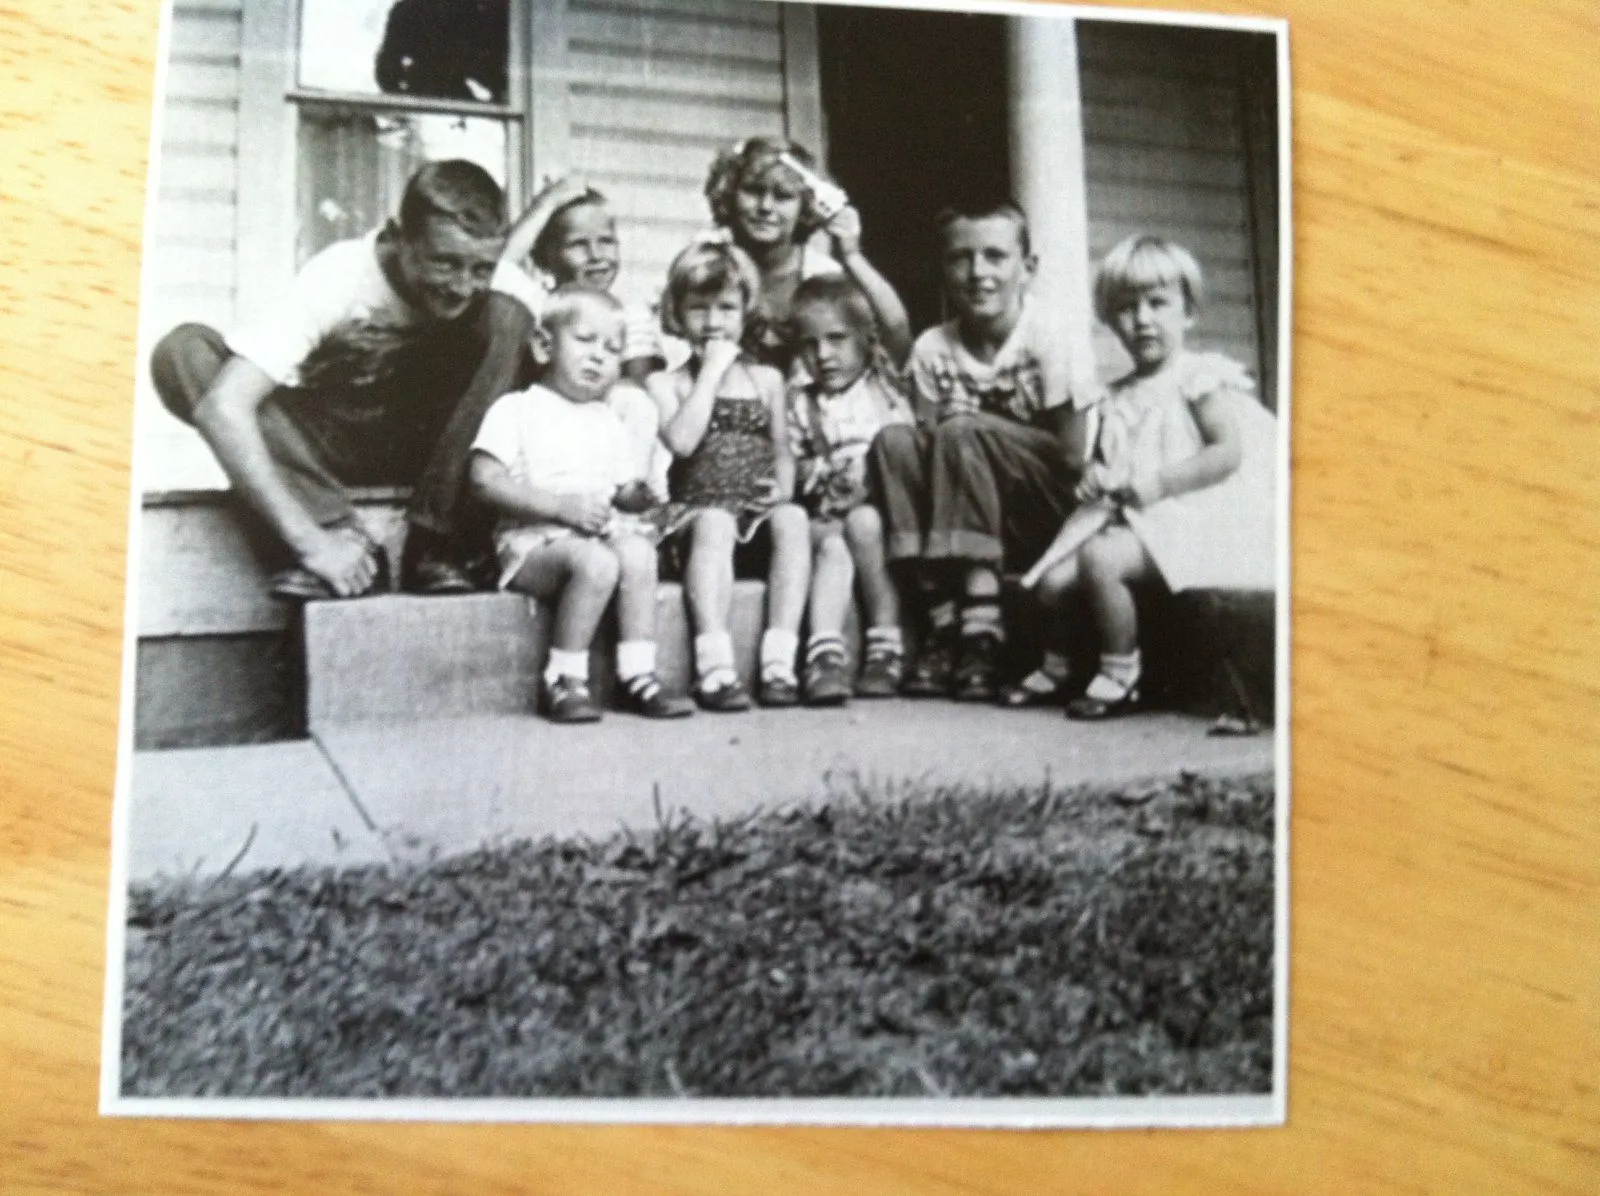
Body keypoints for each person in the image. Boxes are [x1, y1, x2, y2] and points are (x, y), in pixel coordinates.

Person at [148, 159, 536, 600]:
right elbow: (224, 406)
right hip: (330, 440)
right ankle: (341, 538)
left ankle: (438, 544)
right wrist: (312, 544)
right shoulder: (341, 275)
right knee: (183, 350)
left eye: (481, 269)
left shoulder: (503, 287)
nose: (463, 286)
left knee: (510, 316)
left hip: (435, 452)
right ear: (399, 236)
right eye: (444, 264)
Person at [1017, 235, 1277, 719]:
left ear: (1188, 312)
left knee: (1100, 558)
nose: (1142, 320)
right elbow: (1110, 460)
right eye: (1126, 308)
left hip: (1193, 514)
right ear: (1110, 318)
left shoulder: (1198, 379)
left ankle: (1121, 671)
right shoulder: (1114, 396)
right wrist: (1095, 478)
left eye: (1158, 304)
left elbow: (1226, 453)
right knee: (1054, 581)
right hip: (1137, 517)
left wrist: (1158, 485)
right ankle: (1059, 667)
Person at [869, 198, 1092, 701]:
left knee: (960, 430)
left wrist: (982, 430)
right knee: (894, 442)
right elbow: (924, 459)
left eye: (995, 256)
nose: (977, 273)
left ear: (1027, 267)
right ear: (943, 268)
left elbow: (1073, 460)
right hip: (962, 511)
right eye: (960, 258)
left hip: (1044, 510)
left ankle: (982, 626)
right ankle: (942, 619)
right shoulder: (932, 347)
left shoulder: (1050, 336)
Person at [467, 286, 693, 724]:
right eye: (585, 340)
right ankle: (563, 677)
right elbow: (484, 480)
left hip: (593, 538)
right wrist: (558, 507)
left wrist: (641, 498)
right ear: (543, 345)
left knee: (638, 552)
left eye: (612, 349)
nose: (598, 357)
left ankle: (638, 672)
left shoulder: (606, 419)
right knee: (597, 562)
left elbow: (621, 489)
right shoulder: (517, 408)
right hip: (531, 546)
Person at [646, 235, 811, 712]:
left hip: (753, 519)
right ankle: (714, 666)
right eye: (699, 309)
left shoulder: (767, 380)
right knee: (716, 521)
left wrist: (781, 490)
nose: (713, 322)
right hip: (694, 522)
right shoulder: (666, 382)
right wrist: (711, 375)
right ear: (677, 315)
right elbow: (682, 442)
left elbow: (782, 451)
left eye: (726, 308)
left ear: (745, 313)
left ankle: (779, 662)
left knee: (794, 518)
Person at [783, 275, 915, 704]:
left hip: (887, 515)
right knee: (833, 545)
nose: (823, 355)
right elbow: (791, 461)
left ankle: (885, 648)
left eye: (837, 339)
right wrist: (818, 472)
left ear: (866, 339)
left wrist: (853, 255)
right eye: (809, 344)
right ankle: (824, 657)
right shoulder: (799, 400)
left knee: (865, 523)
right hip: (828, 514)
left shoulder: (885, 382)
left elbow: (896, 323)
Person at [495, 176, 670, 495]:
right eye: (578, 244)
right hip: (547, 433)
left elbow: (643, 389)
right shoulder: (539, 303)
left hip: (601, 435)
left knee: (634, 399)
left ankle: (628, 498)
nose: (596, 254)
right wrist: (547, 203)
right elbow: (498, 270)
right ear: (543, 256)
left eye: (606, 241)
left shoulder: (628, 313)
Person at [703, 137, 909, 374]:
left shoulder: (823, 274)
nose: (766, 206)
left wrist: (852, 256)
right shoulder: (707, 268)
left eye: (783, 196)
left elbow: (897, 339)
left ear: (805, 206)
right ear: (730, 194)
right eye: (753, 190)